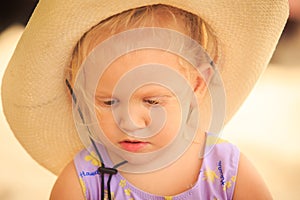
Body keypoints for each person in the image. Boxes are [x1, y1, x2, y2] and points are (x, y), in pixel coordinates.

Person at [1, 1, 288, 200]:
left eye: (152, 101)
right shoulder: (84, 179)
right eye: (109, 102)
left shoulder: (225, 169)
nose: (130, 122)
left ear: (198, 84)